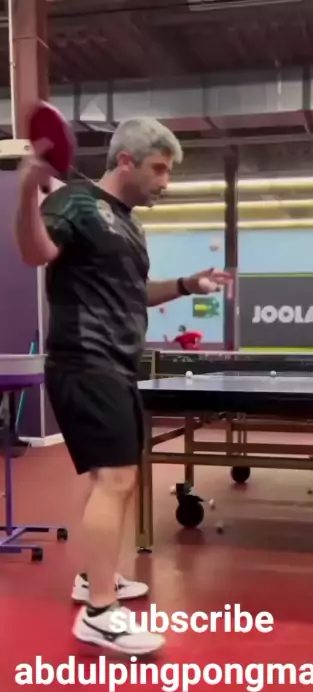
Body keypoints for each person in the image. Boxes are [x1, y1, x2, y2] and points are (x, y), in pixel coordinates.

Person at [14, 117, 232, 655]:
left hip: (118, 364)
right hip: (85, 360)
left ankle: (93, 578)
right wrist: (25, 193)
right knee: (113, 479)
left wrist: (187, 285)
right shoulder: (76, 203)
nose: (166, 182)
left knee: (117, 480)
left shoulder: (130, 226)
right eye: (159, 169)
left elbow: (135, 293)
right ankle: (99, 614)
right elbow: (36, 253)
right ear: (127, 161)